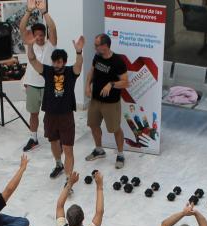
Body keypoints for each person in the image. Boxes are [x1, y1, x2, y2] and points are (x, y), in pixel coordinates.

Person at [24, 37, 85, 179]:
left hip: (66, 115)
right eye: (54, 61)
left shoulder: (71, 72)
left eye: (59, 62)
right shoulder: (48, 71)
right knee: (53, 142)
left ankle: (69, 181)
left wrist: (79, 52)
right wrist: (30, 46)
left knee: (68, 149)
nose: (56, 64)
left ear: (64, 62)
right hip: (50, 115)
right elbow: (33, 61)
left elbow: (79, 65)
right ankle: (58, 164)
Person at [84, 33, 128, 169]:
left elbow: (126, 82)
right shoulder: (97, 56)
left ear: (105, 46)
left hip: (111, 103)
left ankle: (120, 154)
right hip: (95, 100)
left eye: (97, 45)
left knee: (115, 129)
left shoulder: (118, 62)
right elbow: (91, 71)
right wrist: (87, 85)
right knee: (93, 124)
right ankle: (99, 150)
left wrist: (112, 84)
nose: (94, 47)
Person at [19, 0, 58, 152]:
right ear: (33, 36)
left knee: (52, 114)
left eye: (42, 35)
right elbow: (21, 28)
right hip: (33, 85)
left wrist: (44, 12)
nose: (39, 38)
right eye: (37, 36)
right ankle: (33, 138)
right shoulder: (30, 44)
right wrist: (28, 11)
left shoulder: (51, 44)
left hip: (48, 85)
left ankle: (55, 137)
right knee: (33, 113)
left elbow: (53, 27)